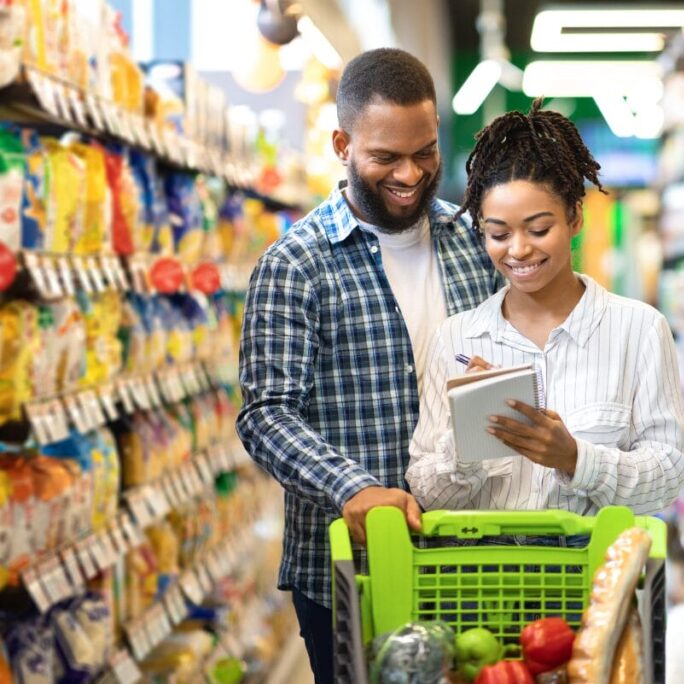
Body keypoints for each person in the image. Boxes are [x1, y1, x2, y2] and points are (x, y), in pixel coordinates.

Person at [236, 48, 498, 683]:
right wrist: (351, 486)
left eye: (426, 152)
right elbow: (266, 415)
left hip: (472, 552)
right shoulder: (295, 264)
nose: (410, 173)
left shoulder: (474, 241)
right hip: (349, 568)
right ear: (341, 144)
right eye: (386, 157)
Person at [407, 99, 684, 515]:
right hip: (484, 577)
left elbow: (665, 479)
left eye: (539, 229)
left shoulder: (639, 329)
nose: (518, 250)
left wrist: (575, 458)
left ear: (575, 217)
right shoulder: (456, 339)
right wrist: (468, 438)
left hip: (591, 575)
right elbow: (429, 495)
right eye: (498, 234)